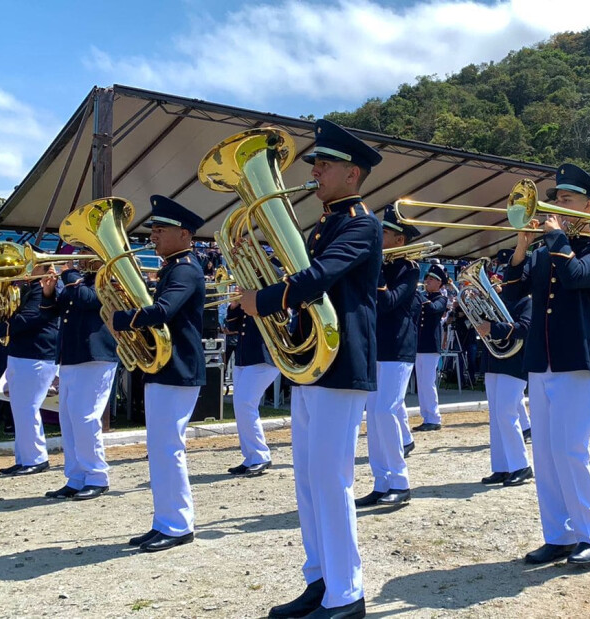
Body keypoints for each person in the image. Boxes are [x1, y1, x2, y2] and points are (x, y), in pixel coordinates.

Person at [237, 119, 381, 619]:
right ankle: (320, 580)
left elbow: (320, 277)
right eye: (315, 163)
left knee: (330, 478)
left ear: (353, 174)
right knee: (307, 480)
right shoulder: (323, 224)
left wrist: (265, 297)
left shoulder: (362, 222)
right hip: (312, 362)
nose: (315, 170)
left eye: (325, 164)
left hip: (342, 366)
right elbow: (308, 277)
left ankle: (348, 594)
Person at [501, 163, 590, 567]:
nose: (556, 206)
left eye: (565, 200)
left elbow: (577, 277)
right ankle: (559, 535)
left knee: (570, 450)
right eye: (557, 199)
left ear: (588, 205)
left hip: (572, 358)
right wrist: (521, 244)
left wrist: (553, 239)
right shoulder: (544, 248)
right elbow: (513, 291)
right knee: (547, 455)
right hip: (540, 359)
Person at [111, 195, 206, 552]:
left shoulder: (184, 268)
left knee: (168, 449)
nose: (154, 236)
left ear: (184, 234)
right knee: (160, 448)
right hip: (167, 368)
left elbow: (163, 310)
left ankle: (178, 523)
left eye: (160, 230)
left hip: (177, 368)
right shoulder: (174, 267)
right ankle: (164, 520)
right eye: (153, 229)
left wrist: (121, 319)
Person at [356, 205, 420, 508]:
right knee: (375, 415)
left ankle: (400, 481)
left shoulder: (410, 268)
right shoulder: (378, 265)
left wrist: (377, 269)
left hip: (398, 348)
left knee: (385, 411)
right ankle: (381, 482)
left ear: (400, 240)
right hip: (375, 346)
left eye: (386, 233)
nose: (380, 236)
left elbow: (388, 301)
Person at [40, 255, 119, 501]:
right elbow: (55, 311)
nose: (82, 257)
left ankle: (97, 476)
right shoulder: (80, 281)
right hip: (71, 355)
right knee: (69, 419)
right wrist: (49, 293)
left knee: (86, 418)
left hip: (96, 354)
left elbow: (89, 300)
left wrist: (69, 276)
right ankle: (76, 477)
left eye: (88, 251)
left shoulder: (111, 279)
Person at [0, 264, 60, 476]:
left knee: (27, 408)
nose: (23, 268)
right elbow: (14, 315)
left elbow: (30, 318)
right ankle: (24, 458)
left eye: (30, 265)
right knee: (20, 409)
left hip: (36, 354)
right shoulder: (26, 289)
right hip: (20, 353)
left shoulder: (40, 291)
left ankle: (36, 459)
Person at [475, 256, 533, 487]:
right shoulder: (496, 300)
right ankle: (501, 466)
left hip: (514, 362)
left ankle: (521, 465)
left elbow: (526, 328)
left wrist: (494, 327)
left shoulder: (525, 300)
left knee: (507, 413)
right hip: (494, 361)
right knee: (496, 415)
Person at [227, 295, 279, 478]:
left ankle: (260, 456)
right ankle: (250, 457)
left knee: (245, 404)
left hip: (264, 355)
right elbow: (231, 327)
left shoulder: (270, 284)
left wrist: (253, 298)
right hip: (245, 355)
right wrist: (234, 306)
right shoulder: (247, 292)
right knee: (240, 406)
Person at [412, 263, 449, 432]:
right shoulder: (424, 297)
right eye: (427, 278)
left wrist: (420, 297)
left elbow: (434, 309)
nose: (427, 281)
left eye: (432, 279)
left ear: (440, 284)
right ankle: (426, 416)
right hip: (419, 345)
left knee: (428, 383)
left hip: (431, 346)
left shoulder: (441, 298)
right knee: (422, 383)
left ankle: (434, 417)